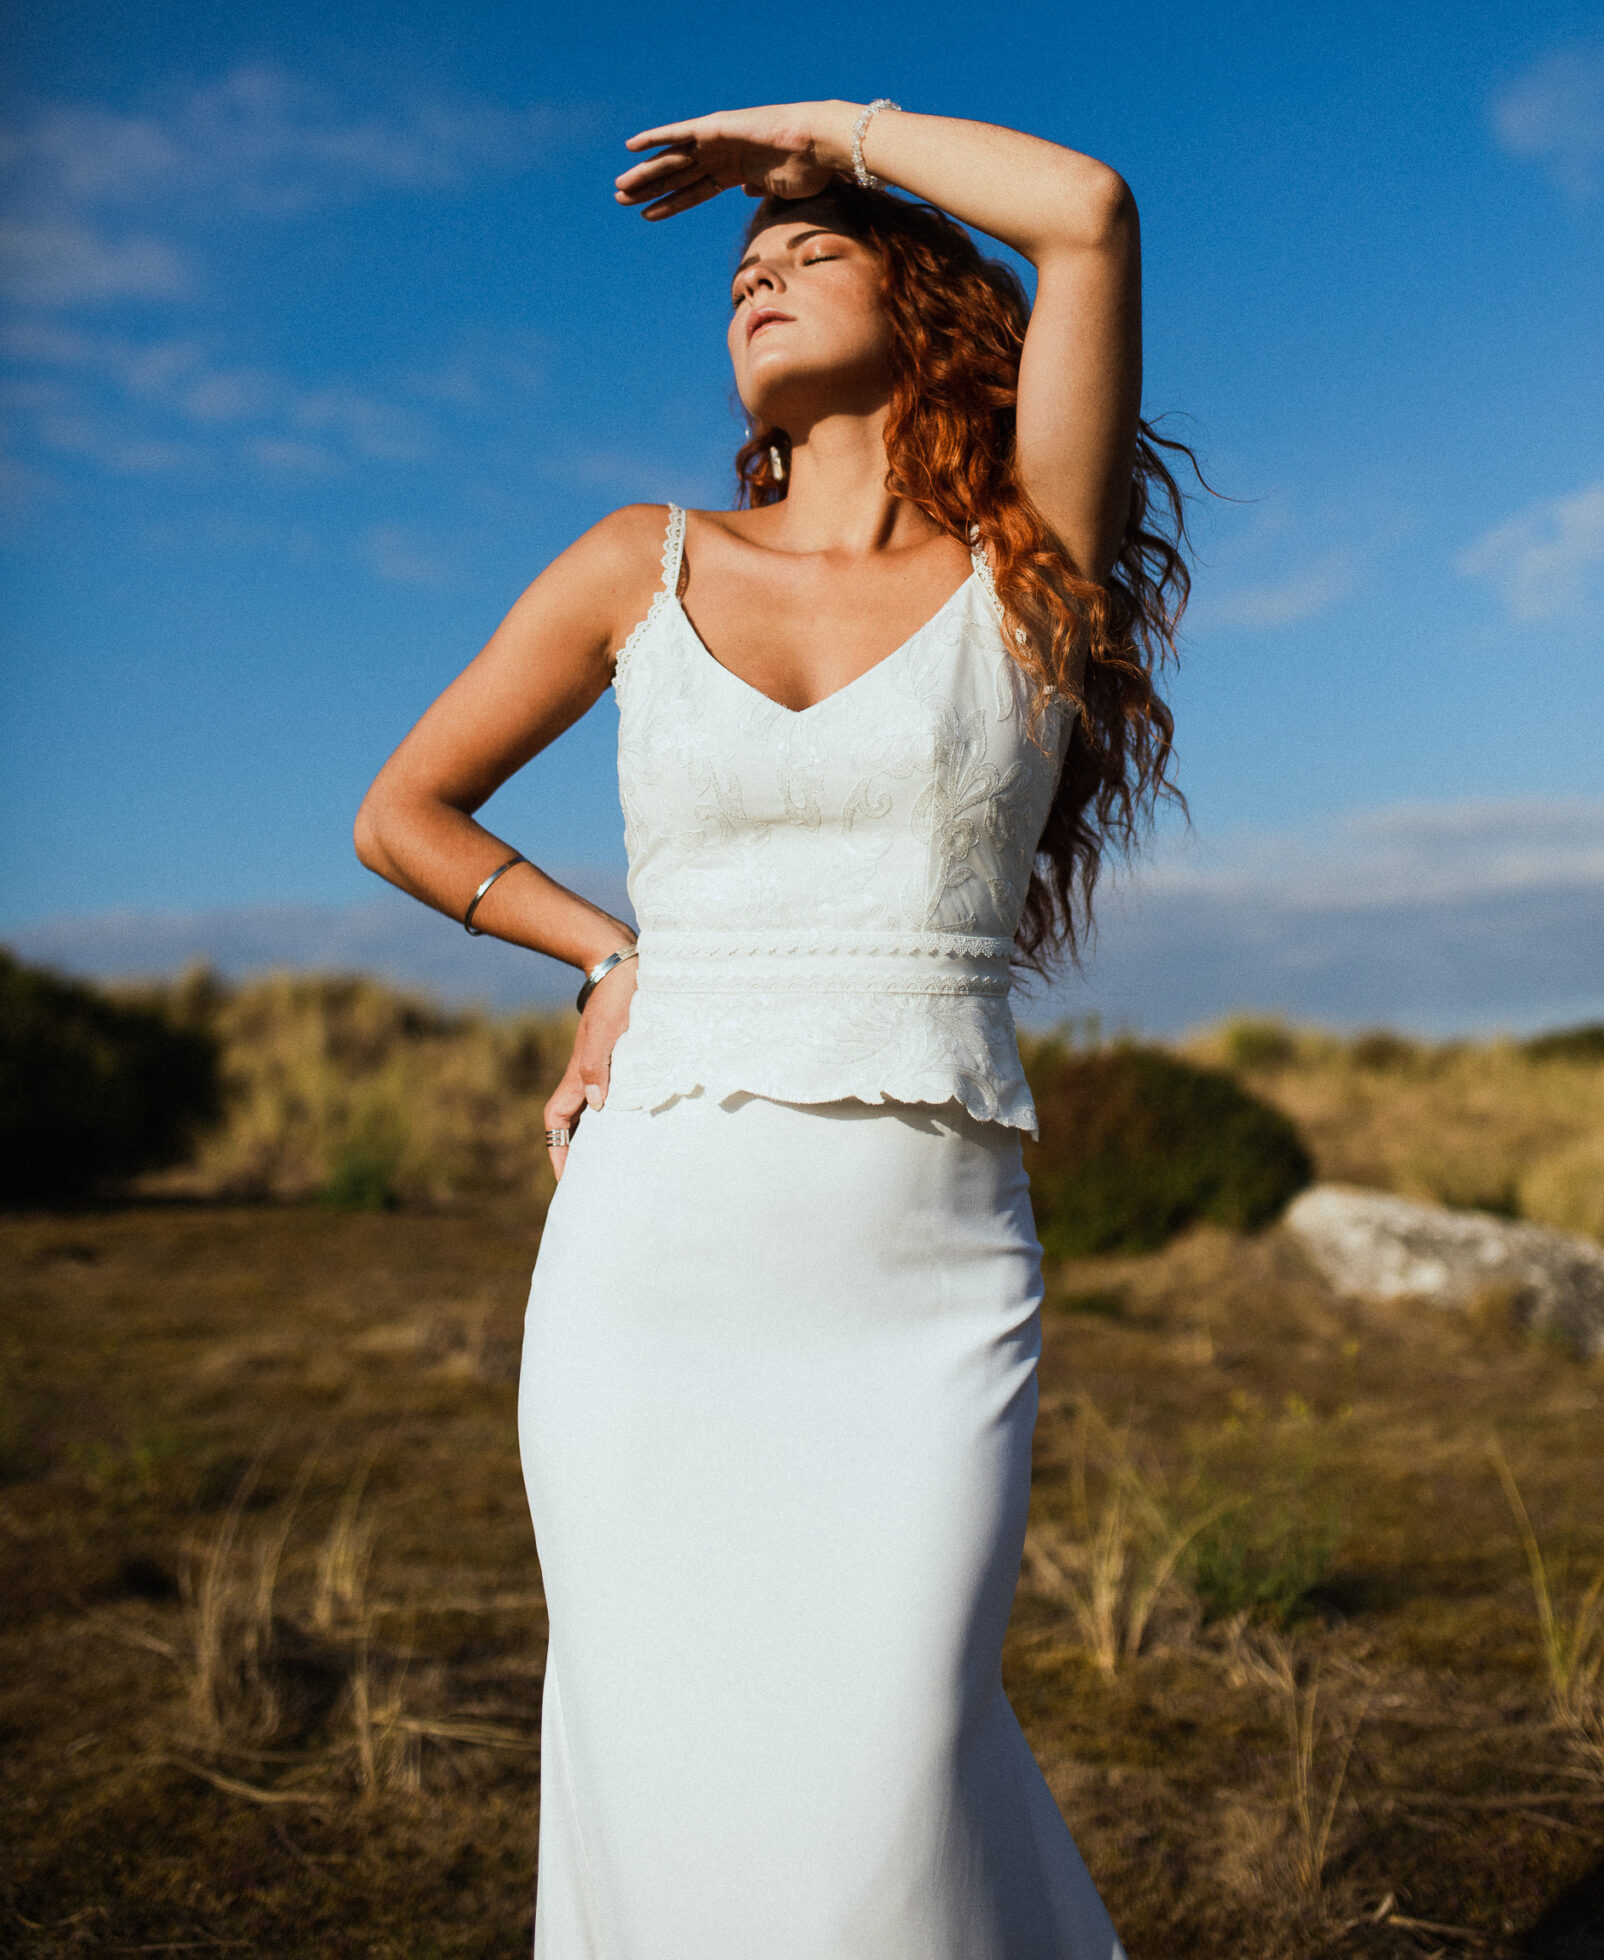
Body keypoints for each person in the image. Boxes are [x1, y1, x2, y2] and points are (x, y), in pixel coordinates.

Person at [354, 99, 1190, 1959]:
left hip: (920, 1265)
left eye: (811, 252)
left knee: (891, 1773)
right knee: (663, 1759)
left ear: (930, 306)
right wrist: (605, 957)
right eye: (745, 267)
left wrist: (816, 141)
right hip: (657, 1245)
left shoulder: (1029, 566)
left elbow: (1089, 213)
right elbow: (404, 816)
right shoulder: (636, 564)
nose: (760, 271)